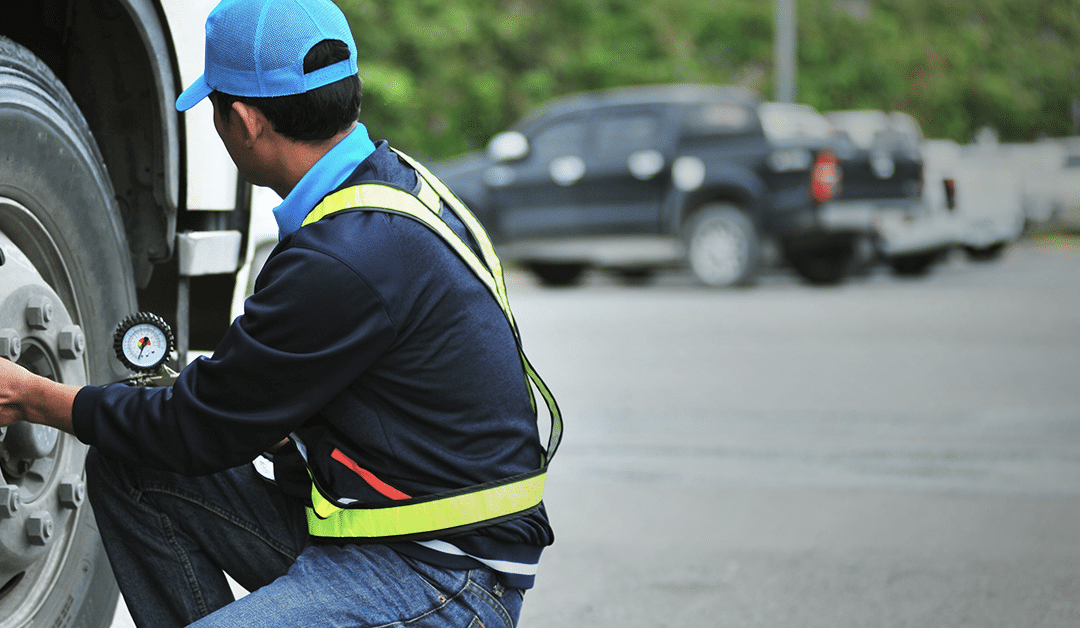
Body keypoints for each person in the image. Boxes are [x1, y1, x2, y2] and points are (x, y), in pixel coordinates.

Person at [0, 0, 560, 626]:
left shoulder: (344, 256)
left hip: (441, 576)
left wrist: (32, 397)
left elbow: (199, 430)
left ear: (244, 120)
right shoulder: (389, 191)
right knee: (133, 468)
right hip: (372, 530)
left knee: (159, 442)